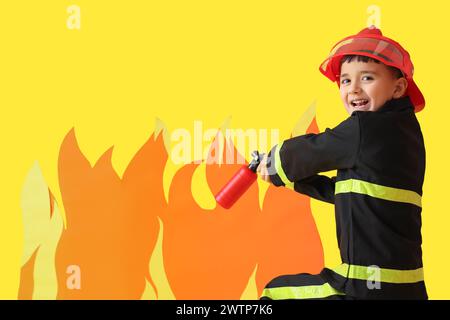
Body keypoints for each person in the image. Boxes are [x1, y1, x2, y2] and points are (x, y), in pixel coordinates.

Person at [257, 26, 427, 299]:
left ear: (398, 87)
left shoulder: (364, 128)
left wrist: (275, 162)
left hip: (367, 286)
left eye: (367, 78)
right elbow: (357, 194)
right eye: (345, 81)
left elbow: (314, 149)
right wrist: (294, 180)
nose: (354, 89)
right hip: (408, 288)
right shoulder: (406, 135)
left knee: (275, 292)